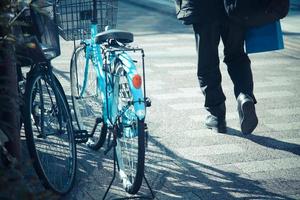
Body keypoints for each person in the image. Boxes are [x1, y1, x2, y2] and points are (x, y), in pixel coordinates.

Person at [175, 0, 258, 134]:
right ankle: (244, 96)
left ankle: (216, 115)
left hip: (203, 8)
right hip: (233, 6)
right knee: (236, 55)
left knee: (207, 60)